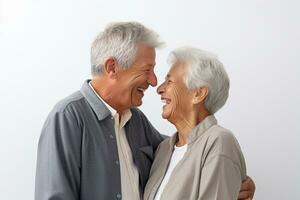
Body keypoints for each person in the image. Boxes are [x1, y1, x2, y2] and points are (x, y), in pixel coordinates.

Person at [35, 22, 255, 200]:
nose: (154, 82)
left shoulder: (135, 121)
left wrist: (233, 178)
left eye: (165, 78)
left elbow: (185, 152)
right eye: (147, 70)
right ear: (112, 67)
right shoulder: (68, 118)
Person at [144, 47, 254, 200]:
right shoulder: (163, 150)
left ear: (198, 94)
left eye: (169, 81)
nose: (160, 89)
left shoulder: (218, 141)